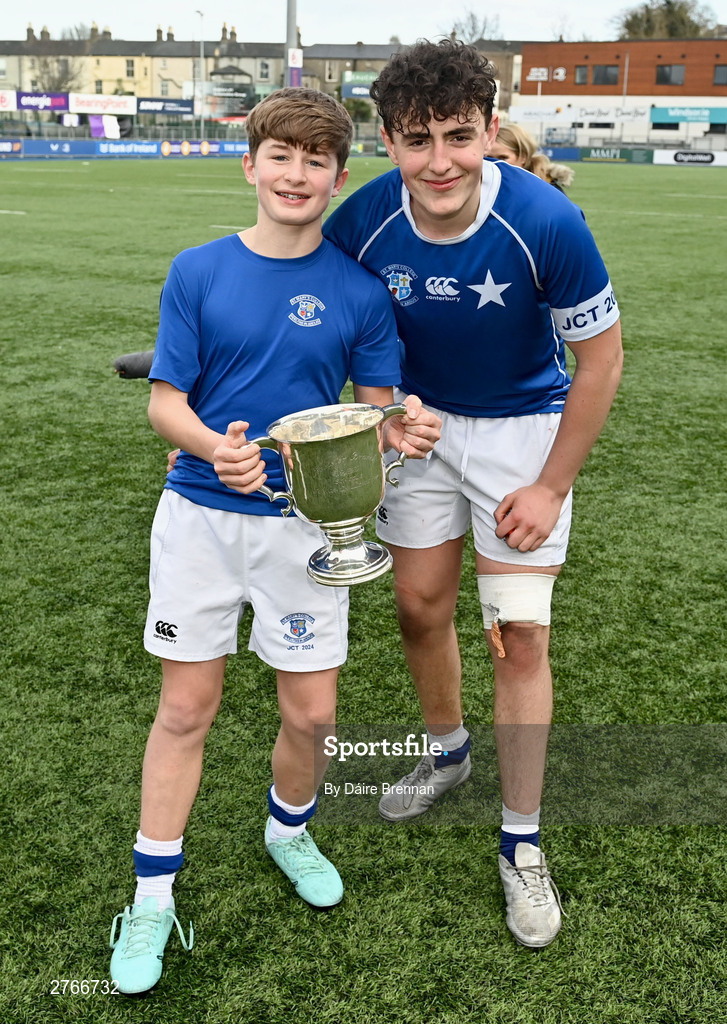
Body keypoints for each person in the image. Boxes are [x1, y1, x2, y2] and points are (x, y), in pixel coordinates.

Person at [108, 87, 441, 996]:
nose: (297, 174)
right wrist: (215, 447)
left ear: (338, 177)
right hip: (201, 521)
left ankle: (287, 830)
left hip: (304, 529)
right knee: (186, 709)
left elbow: (369, 415)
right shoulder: (199, 270)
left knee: (314, 716)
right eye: (281, 156)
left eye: (316, 160)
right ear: (250, 165)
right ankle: (150, 894)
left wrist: (399, 431)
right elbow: (163, 401)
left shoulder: (357, 291)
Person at [323, 39, 622, 948]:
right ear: (387, 140)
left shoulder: (544, 221)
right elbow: (311, 303)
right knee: (418, 608)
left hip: (522, 435)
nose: (441, 159)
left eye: (460, 134)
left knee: (518, 632)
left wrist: (548, 482)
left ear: (490, 129)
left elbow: (600, 359)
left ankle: (521, 843)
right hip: (415, 429)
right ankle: (447, 752)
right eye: (418, 140)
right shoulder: (364, 219)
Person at [491, 121, 575, 191]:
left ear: (523, 157)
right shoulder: (484, 186)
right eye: (488, 157)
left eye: (503, 158)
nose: (494, 163)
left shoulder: (547, 190)